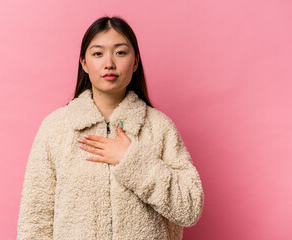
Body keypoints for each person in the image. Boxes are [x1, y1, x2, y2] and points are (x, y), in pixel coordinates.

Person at [17, 16, 204, 240]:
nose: (109, 63)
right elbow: (35, 220)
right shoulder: (56, 128)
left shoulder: (159, 128)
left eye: (120, 52)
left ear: (135, 62)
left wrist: (133, 161)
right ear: (84, 63)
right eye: (98, 53)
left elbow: (190, 208)